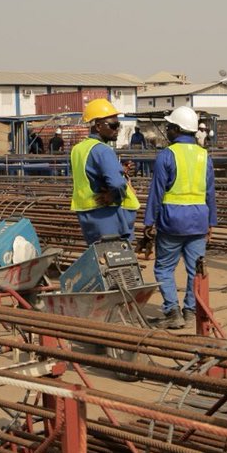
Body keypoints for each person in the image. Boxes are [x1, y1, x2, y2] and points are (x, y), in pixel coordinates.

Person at [143, 106, 218, 329]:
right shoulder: (205, 156)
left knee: (164, 268)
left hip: (171, 221)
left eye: (169, 127)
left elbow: (156, 192)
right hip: (198, 221)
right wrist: (211, 222)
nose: (167, 130)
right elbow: (210, 193)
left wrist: (149, 221)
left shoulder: (166, 155)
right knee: (195, 269)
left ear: (177, 129)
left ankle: (172, 312)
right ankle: (190, 311)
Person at [70, 99, 139, 244]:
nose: (117, 129)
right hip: (107, 215)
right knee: (116, 260)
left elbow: (89, 174)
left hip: (87, 216)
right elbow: (117, 184)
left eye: (118, 125)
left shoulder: (78, 149)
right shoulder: (103, 150)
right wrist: (113, 196)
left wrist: (120, 169)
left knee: (99, 259)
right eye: (113, 125)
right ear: (98, 126)